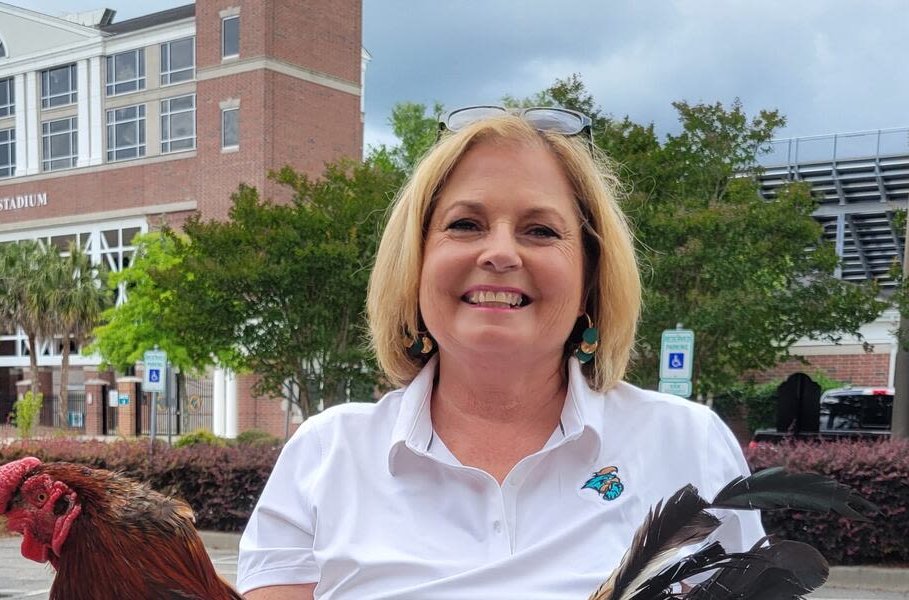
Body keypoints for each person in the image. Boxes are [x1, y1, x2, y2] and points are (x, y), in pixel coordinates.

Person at [236, 107, 764, 599]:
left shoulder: (687, 444)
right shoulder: (326, 455)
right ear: (415, 264)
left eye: (541, 230)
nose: (501, 253)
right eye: (465, 224)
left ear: (590, 279)